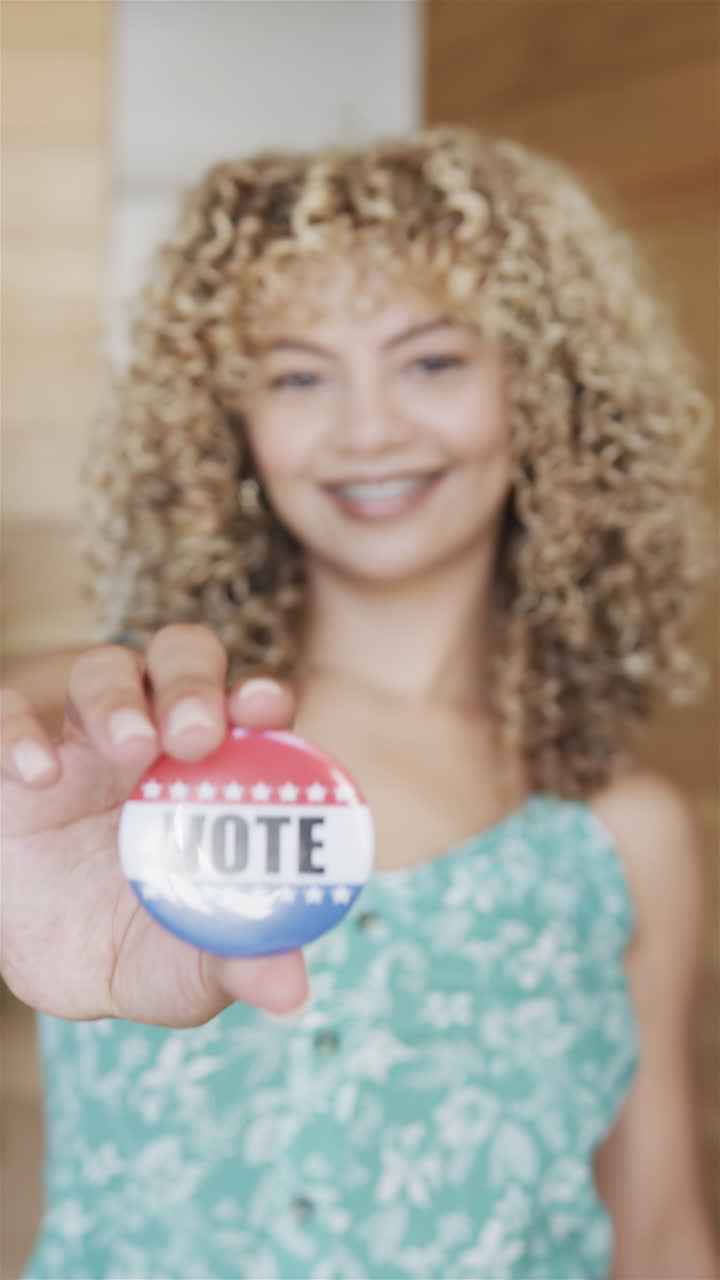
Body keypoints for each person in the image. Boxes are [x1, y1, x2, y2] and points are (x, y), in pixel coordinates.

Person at [2, 126, 717, 1279]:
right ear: (231, 423)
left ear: (546, 391)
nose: (369, 428)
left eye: (432, 360)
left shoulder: (623, 833)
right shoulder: (104, 738)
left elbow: (666, 1233)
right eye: (297, 375)